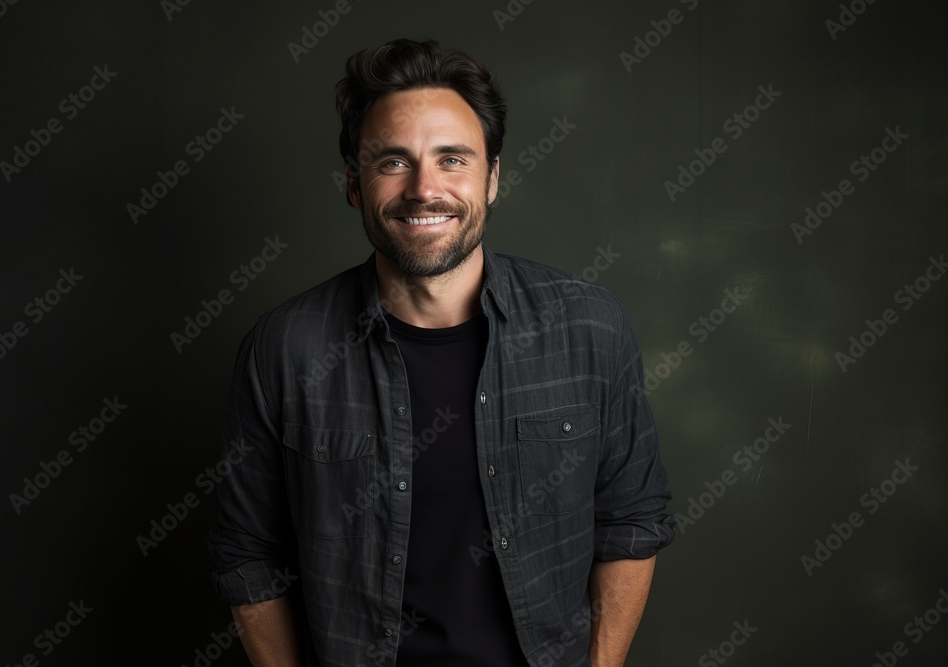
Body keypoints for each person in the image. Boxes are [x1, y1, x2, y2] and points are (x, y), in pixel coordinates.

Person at [207, 38, 675, 667]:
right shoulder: (284, 349)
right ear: (354, 184)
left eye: (452, 159)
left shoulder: (589, 328)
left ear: (493, 177)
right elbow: (247, 555)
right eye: (393, 162)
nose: (424, 189)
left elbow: (632, 522)